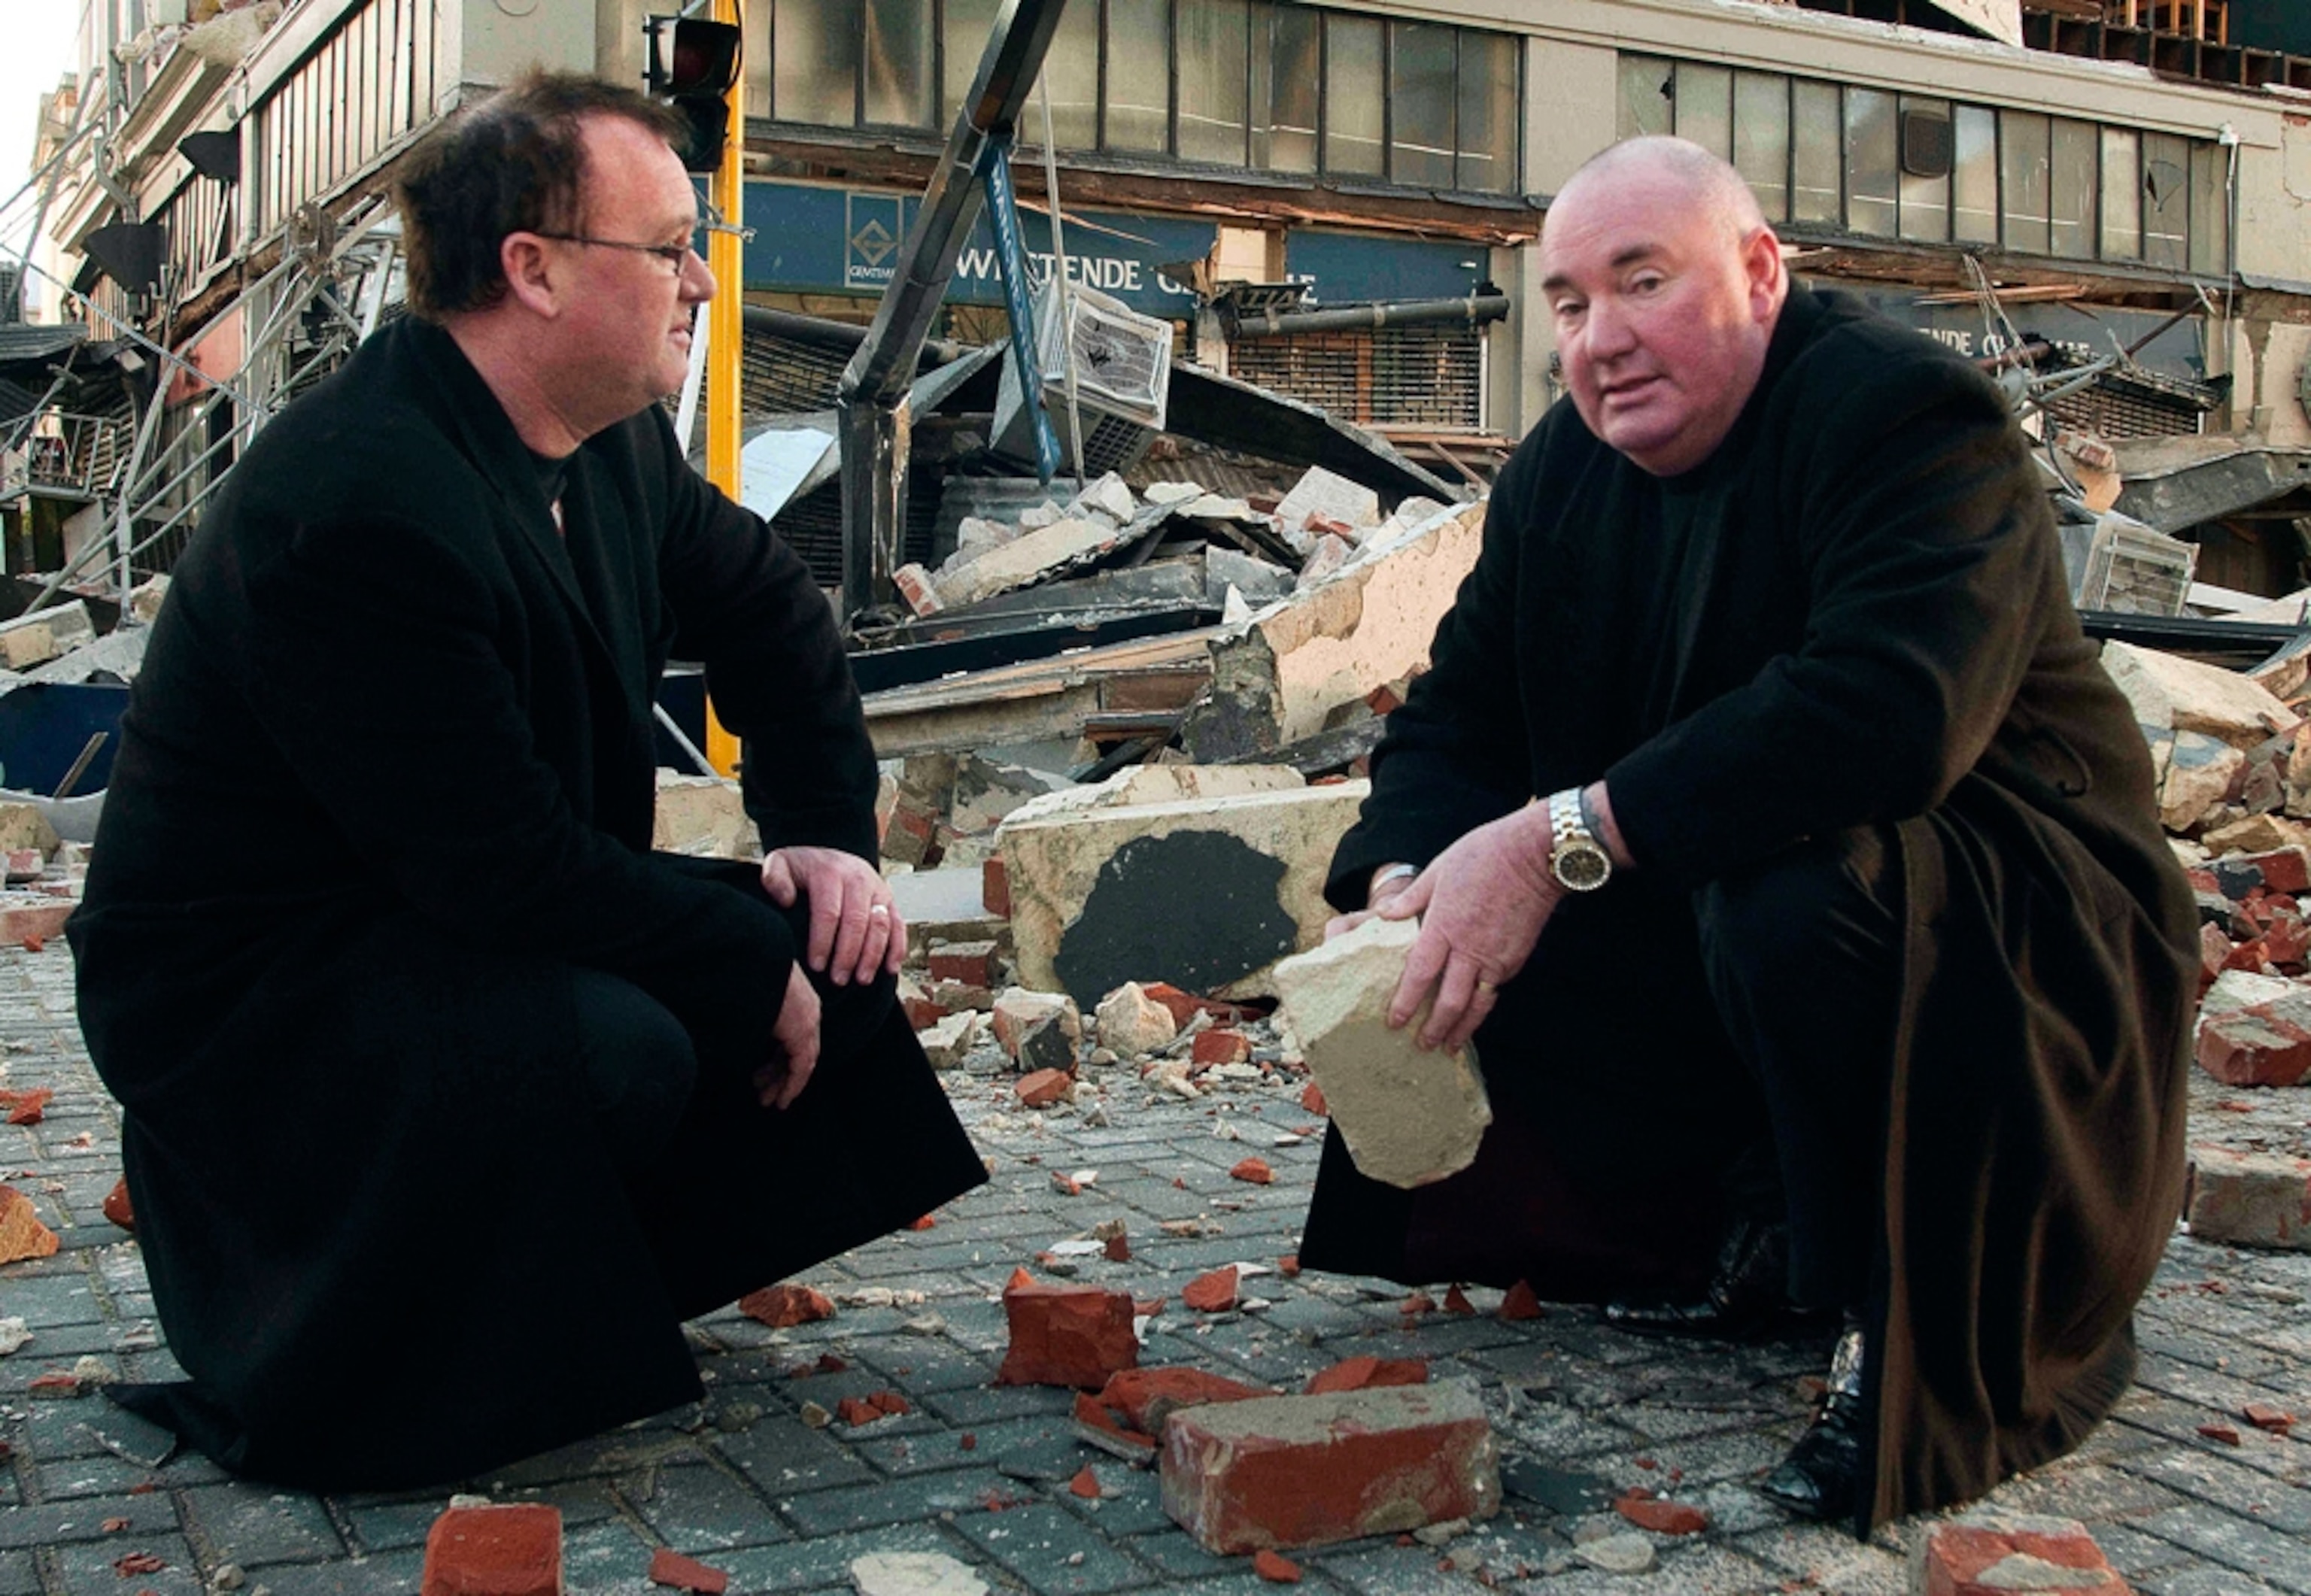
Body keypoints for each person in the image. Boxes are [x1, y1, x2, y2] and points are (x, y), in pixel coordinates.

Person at [66, 73, 987, 1491]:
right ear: (534, 271)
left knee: (835, 946)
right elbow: (499, 865)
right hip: (264, 991)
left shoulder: (611, 446)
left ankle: (594, 1281)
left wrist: (823, 842)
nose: (699, 281)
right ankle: (396, 1353)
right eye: (671, 245)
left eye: (702, 243)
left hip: (439, 906)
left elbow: (772, 615)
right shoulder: (366, 499)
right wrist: (743, 958)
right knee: (634, 1034)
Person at [1298, 136, 2195, 1531]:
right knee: (1512, 879)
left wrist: (1552, 841)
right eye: (1573, 302)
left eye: (1643, 282)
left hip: (2007, 919)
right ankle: (1737, 1234)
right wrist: (1418, 875)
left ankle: (1905, 1310)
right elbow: (1454, 722)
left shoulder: (1902, 411)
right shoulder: (1558, 476)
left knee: (1765, 886)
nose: (1602, 339)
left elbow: (1890, 715)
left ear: (1762, 273)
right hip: (1747, 887)